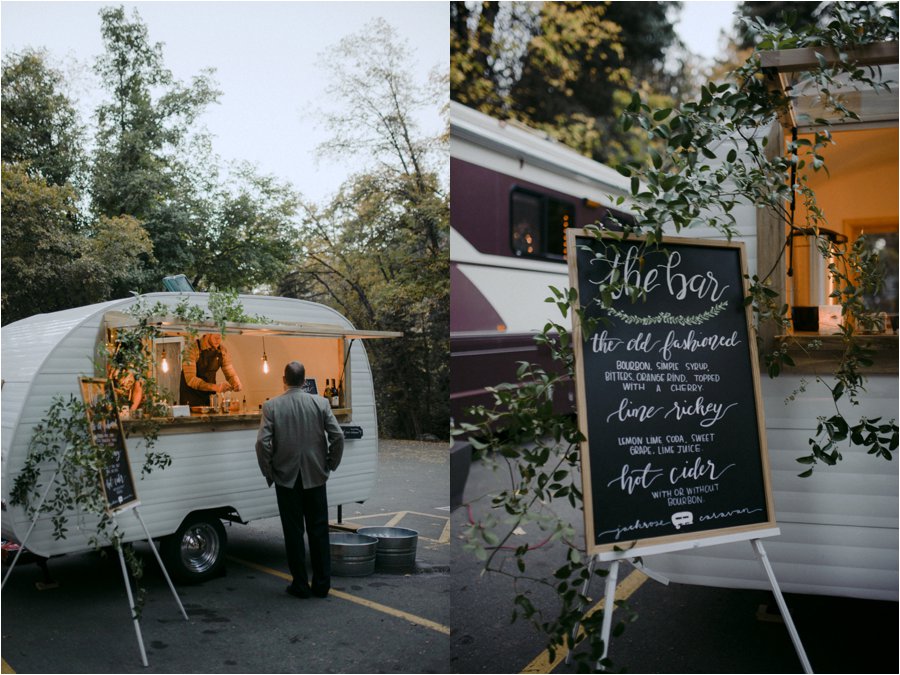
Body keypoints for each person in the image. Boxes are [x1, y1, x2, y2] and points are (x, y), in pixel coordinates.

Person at [255, 361, 344, 598]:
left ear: (284, 380)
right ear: (305, 381)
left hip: (287, 479)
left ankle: (300, 585)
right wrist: (330, 463)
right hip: (316, 476)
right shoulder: (321, 402)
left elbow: (262, 443)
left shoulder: (271, 406)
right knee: (318, 532)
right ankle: (322, 584)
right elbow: (338, 436)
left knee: (293, 534)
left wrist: (269, 470)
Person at [179, 333, 242, 406]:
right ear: (207, 333)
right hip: (191, 399)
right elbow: (191, 380)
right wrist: (216, 387)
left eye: (220, 337)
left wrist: (236, 383)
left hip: (210, 398)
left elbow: (230, 374)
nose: (218, 340)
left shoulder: (222, 350)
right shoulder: (191, 349)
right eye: (215, 337)